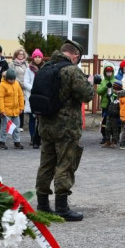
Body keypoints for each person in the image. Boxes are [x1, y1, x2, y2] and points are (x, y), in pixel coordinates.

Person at [34, 39, 93, 221]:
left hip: (45, 125)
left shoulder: (46, 67)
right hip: (66, 128)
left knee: (46, 164)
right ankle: (62, 207)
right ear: (75, 55)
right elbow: (87, 95)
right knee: (65, 164)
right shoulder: (71, 70)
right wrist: (88, 81)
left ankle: (42, 205)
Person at [0, 67, 24, 149]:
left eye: (13, 79)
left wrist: (21, 107)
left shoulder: (16, 84)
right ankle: (1, 142)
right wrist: (2, 110)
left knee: (16, 127)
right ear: (6, 78)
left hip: (16, 110)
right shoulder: (1, 85)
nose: (12, 81)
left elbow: (20, 96)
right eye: (10, 79)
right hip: (6, 111)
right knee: (4, 127)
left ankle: (17, 142)